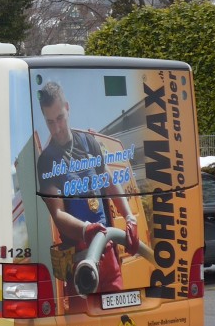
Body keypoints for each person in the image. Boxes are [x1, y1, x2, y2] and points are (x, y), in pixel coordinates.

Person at [36, 80, 140, 298]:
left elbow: (110, 182)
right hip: (79, 262)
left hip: (108, 253)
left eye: (60, 119)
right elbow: (58, 214)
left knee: (115, 319)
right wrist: (85, 229)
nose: (56, 128)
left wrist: (130, 217)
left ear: (67, 108)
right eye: (50, 122)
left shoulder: (89, 143)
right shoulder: (47, 160)